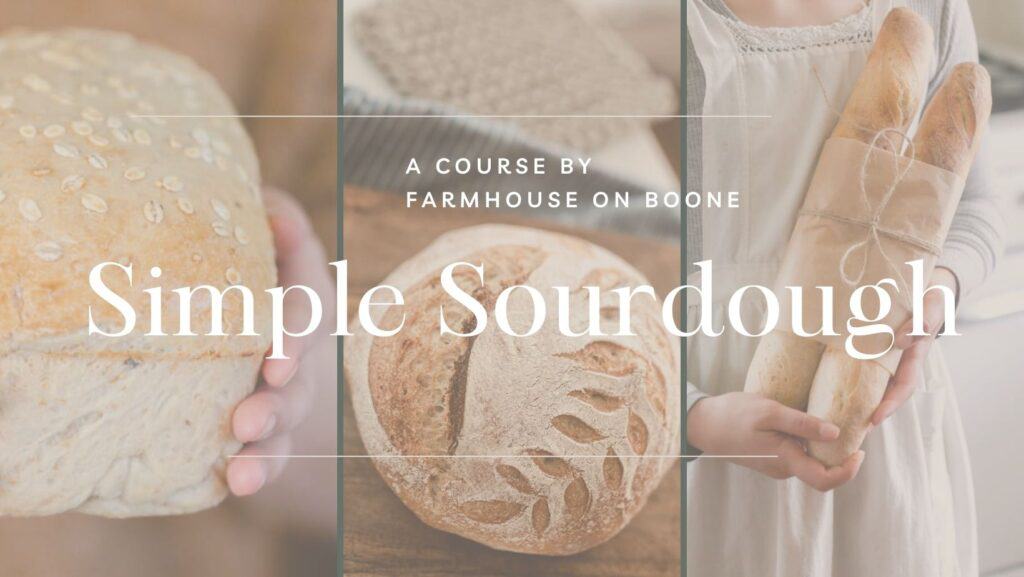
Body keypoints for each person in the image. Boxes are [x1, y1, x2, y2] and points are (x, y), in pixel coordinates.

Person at [684, 0, 1003, 575]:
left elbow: (974, 208)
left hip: (881, 416)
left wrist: (931, 305)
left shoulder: (934, 8)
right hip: (718, 423)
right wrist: (694, 417)